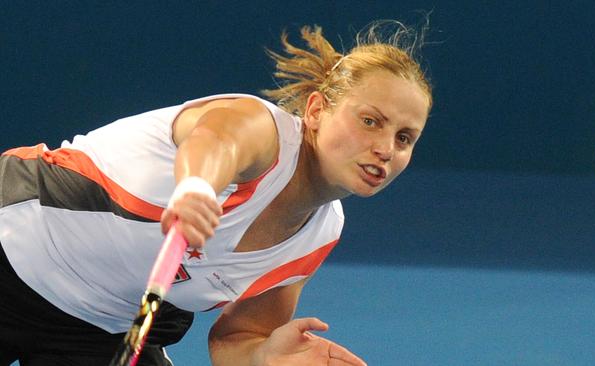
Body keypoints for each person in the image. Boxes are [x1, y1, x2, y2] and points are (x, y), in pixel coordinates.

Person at [0, 21, 432, 366]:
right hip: (13, 242)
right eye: (371, 121)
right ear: (317, 110)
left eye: (405, 137)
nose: (385, 149)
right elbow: (215, 143)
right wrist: (196, 188)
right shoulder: (262, 130)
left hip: (97, 330)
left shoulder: (319, 233)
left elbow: (239, 336)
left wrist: (265, 355)